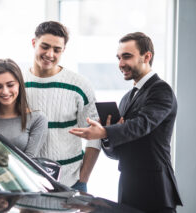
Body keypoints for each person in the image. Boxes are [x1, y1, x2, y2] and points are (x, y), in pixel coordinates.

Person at [69, 32, 183, 212]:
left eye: (127, 57)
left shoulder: (161, 90)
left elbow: (142, 124)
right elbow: (117, 153)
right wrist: (106, 135)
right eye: (119, 58)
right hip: (128, 188)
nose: (121, 64)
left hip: (156, 189)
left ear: (147, 56)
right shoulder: (126, 98)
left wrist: (106, 132)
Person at [24, 21, 101, 192]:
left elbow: (95, 135)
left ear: (63, 50)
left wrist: (84, 178)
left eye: (57, 49)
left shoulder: (80, 85)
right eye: (45, 46)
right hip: (28, 183)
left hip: (71, 182)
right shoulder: (17, 84)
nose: (50, 54)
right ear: (33, 43)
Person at [0, 58, 48, 158]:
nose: (5, 92)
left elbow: (30, 162)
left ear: (19, 84)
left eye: (10, 85)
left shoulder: (37, 119)